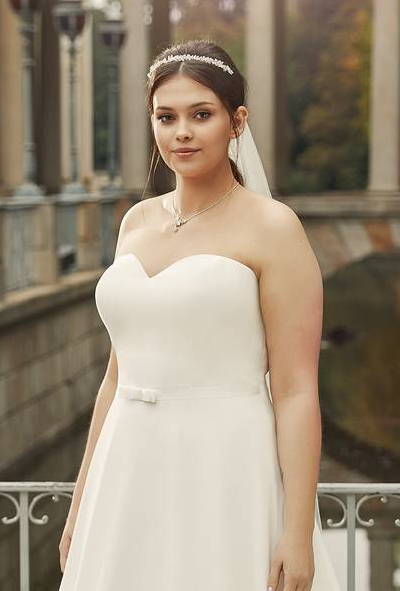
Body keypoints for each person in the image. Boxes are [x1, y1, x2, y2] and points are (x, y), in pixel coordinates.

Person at [57, 39, 341, 591]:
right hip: (128, 464)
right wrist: (82, 502)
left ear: (237, 123)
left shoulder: (274, 228)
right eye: (166, 117)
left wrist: (298, 533)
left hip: (226, 463)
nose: (181, 132)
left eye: (201, 115)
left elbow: (296, 390)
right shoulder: (135, 223)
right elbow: (116, 376)